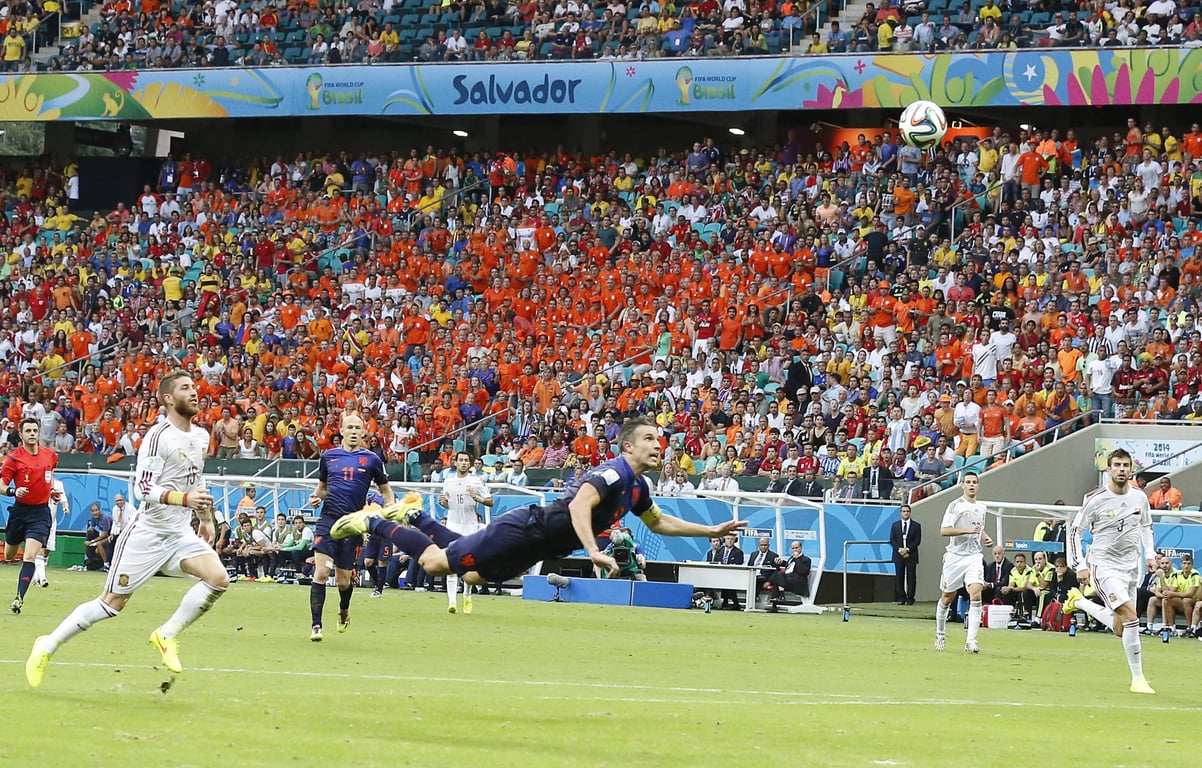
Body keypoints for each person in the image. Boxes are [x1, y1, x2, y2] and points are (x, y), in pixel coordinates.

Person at [329, 418, 747, 602]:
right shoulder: (615, 473)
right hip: (525, 531)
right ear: (629, 447)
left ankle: (416, 515)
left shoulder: (637, 487)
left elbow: (660, 521)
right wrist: (594, 549)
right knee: (438, 564)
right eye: (651, 439)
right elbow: (582, 504)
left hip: (534, 547)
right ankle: (376, 520)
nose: (660, 445)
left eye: (661, 440)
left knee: (471, 570)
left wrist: (709, 533)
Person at [26, 372, 227, 688]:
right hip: (146, 534)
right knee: (111, 604)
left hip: (179, 534)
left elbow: (195, 479)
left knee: (218, 578)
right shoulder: (158, 437)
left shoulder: (200, 436)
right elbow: (143, 489)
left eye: (194, 387)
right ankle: (46, 645)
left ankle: (166, 634)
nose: (194, 392)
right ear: (168, 399)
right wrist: (185, 499)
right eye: (185, 388)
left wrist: (205, 519)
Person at [1063, 448, 1157, 694]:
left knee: (1120, 628)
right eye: (1117, 465)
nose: (1122, 469)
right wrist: (1080, 565)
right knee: (1131, 617)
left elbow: (1146, 526)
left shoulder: (1139, 497)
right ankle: (1138, 679)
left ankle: (1080, 603)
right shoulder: (1096, 499)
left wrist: (1150, 554)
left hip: (1130, 566)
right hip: (1103, 564)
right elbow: (1074, 531)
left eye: (1126, 465)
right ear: (1109, 469)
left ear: (1131, 470)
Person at [306, 411, 395, 641]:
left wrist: (390, 511)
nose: (354, 432)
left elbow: (386, 491)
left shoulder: (372, 459)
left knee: (344, 580)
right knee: (322, 572)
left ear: (363, 431)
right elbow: (322, 488)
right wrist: (315, 497)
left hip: (353, 524)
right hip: (328, 521)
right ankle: (316, 626)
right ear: (342, 431)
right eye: (350, 428)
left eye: (358, 428)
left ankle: (344, 609)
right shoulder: (328, 456)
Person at [3, 417, 61, 614]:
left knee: (29, 555)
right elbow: (2, 485)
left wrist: (50, 490)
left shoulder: (50, 456)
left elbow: (49, 473)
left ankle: (19, 598)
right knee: (9, 555)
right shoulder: (13, 458)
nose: (32, 434)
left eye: (35, 430)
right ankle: (17, 539)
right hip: (19, 512)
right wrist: (12, 492)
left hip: (40, 513)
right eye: (28, 431)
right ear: (21, 434)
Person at [934, 471, 991, 653]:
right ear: (963, 485)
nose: (972, 485)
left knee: (976, 592)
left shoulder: (982, 507)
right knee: (947, 597)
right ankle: (940, 634)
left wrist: (984, 536)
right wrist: (966, 531)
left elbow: (978, 528)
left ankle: (971, 641)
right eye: (968, 482)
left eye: (975, 482)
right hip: (955, 556)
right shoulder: (955, 506)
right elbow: (944, 530)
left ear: (978, 485)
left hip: (974, 556)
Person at [438, 450, 493, 614]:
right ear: (455, 462)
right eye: (460, 460)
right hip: (453, 525)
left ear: (469, 464)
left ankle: (467, 596)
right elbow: (449, 503)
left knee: (468, 564)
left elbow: (490, 502)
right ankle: (452, 601)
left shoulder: (476, 481)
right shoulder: (449, 481)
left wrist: (478, 498)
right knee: (451, 564)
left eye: (465, 460)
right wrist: (444, 503)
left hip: (470, 526)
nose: (462, 463)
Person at [33, 478, 68, 588]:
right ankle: (43, 578)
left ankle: (36, 578)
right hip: (39, 521)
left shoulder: (59, 484)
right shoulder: (38, 482)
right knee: (40, 550)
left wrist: (65, 507)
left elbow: (64, 500)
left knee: (47, 551)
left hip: (52, 523)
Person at [765, 540, 812, 610]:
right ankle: (777, 601)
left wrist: (797, 559)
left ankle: (780, 597)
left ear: (801, 548)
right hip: (787, 580)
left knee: (779, 576)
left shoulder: (806, 559)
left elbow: (802, 571)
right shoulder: (791, 558)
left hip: (797, 581)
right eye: (793, 548)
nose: (794, 550)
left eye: (796, 548)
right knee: (778, 578)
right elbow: (789, 566)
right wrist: (781, 562)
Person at [889, 504, 921, 605]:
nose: (905, 513)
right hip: (898, 555)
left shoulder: (916, 525)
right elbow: (892, 539)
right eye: (903, 511)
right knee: (899, 576)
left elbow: (917, 540)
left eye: (907, 511)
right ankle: (901, 597)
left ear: (910, 512)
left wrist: (907, 550)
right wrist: (900, 550)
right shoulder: (895, 525)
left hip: (911, 555)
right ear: (900, 513)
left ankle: (910, 598)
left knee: (911, 577)